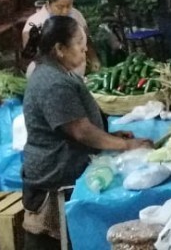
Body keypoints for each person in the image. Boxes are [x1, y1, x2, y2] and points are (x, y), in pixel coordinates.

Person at [22, 16, 152, 249]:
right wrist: (125, 146)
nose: (84, 47)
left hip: (60, 166)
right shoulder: (53, 82)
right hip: (54, 175)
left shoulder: (59, 72)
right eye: (79, 42)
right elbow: (80, 131)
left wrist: (112, 137)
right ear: (60, 49)